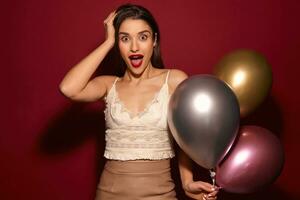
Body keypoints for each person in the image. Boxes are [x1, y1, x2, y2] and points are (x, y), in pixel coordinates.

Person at [59, 4, 219, 200]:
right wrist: (108, 41)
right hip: (108, 194)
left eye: (143, 37)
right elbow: (69, 89)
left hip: (161, 195)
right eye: (125, 39)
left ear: (154, 41)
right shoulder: (109, 84)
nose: (134, 47)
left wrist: (186, 183)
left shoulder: (174, 81)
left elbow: (184, 139)